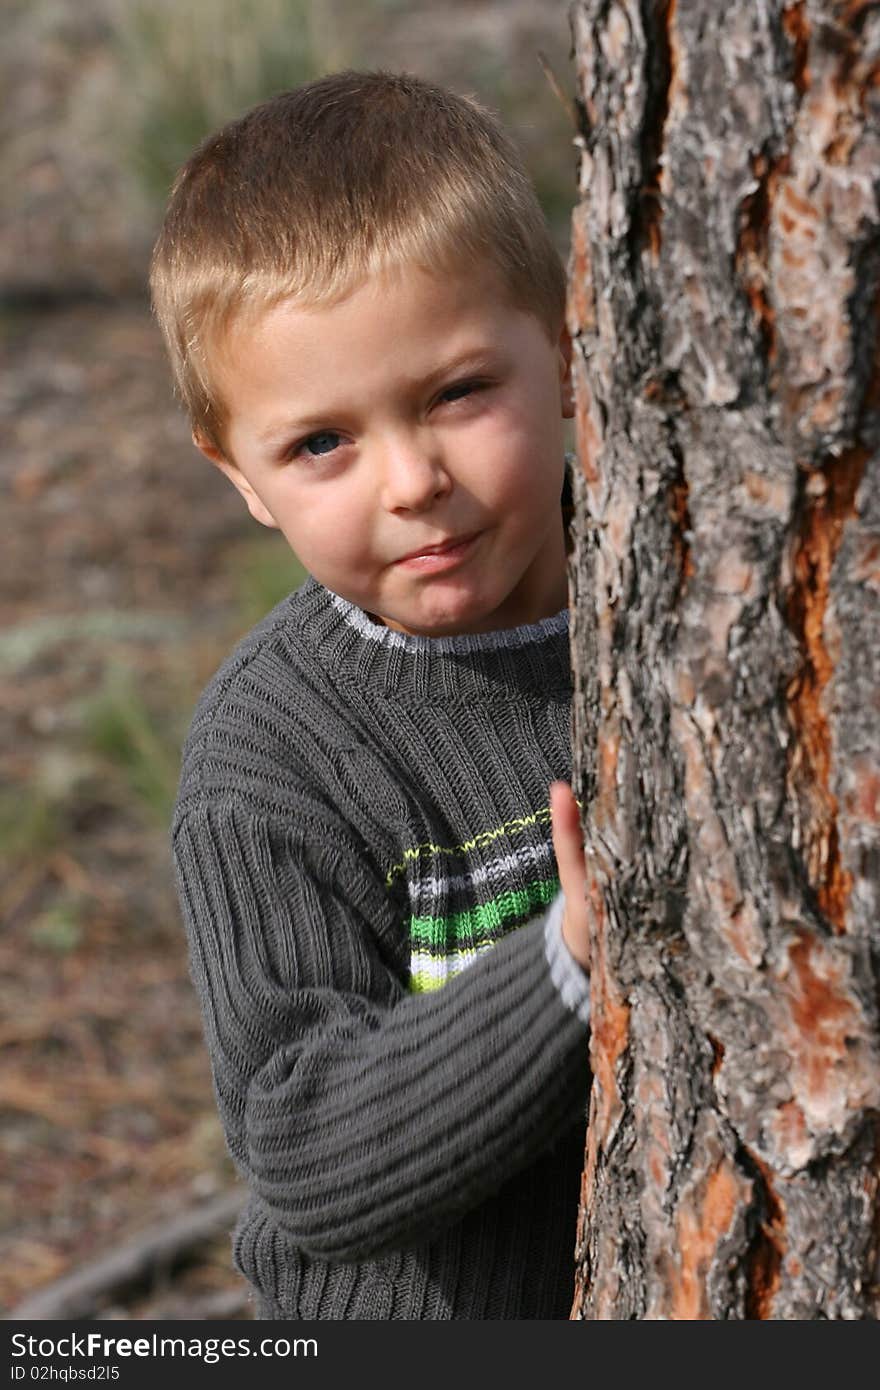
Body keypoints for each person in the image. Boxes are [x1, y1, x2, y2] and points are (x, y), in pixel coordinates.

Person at [152, 69, 592, 1321]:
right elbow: (309, 1153)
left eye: (457, 393)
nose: (410, 481)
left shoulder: (686, 598)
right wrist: (567, 966)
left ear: (564, 347)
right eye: (319, 443)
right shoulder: (271, 759)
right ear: (237, 472)